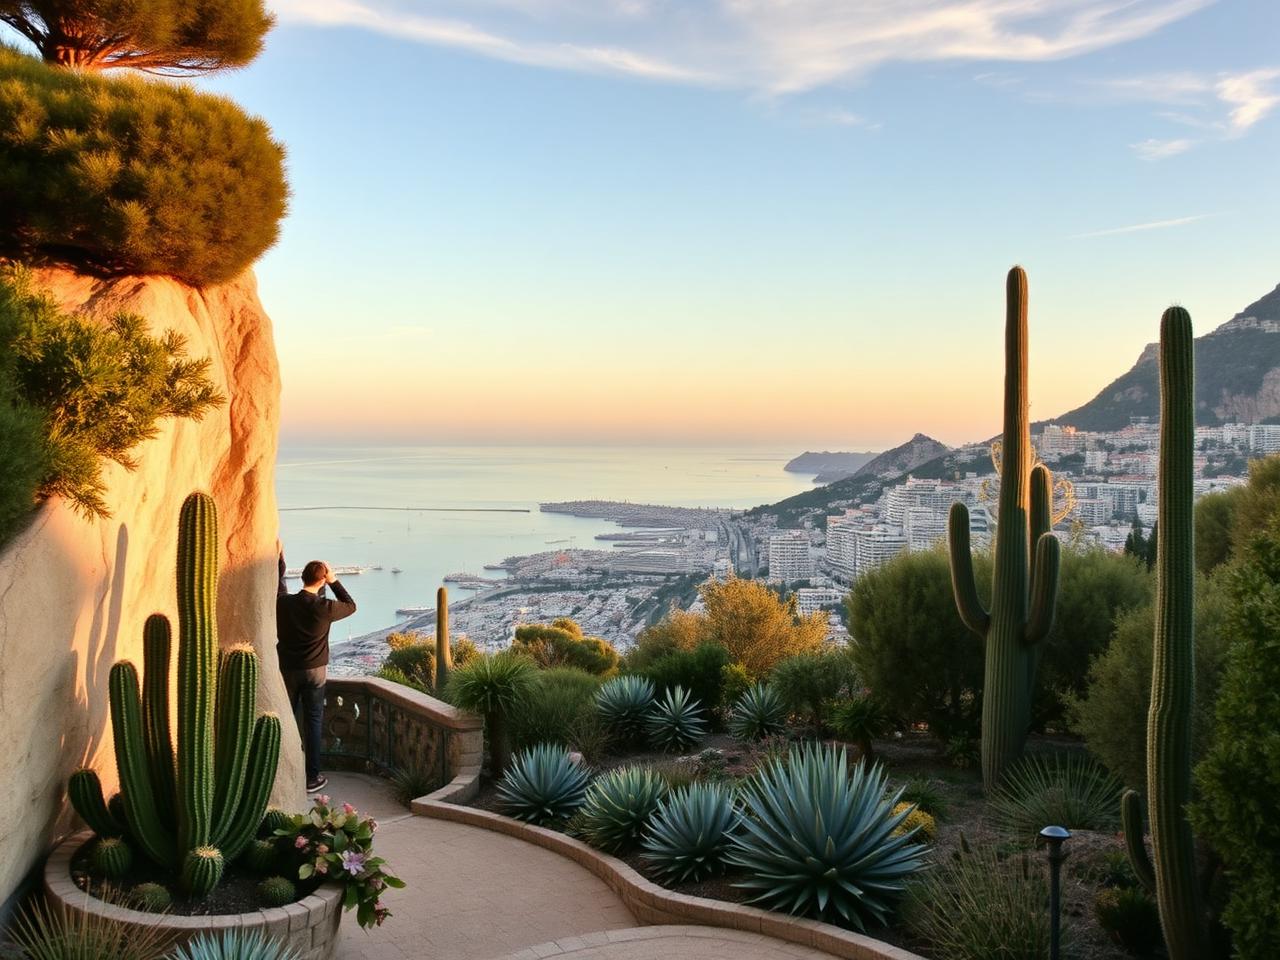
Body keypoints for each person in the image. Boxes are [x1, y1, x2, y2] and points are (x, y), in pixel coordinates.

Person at [276, 552, 356, 793]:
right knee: (313, 722)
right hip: (315, 672)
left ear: (301, 578)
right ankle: (312, 777)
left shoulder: (283, 603)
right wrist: (334, 581)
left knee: (285, 720)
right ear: (321, 581)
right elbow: (351, 605)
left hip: (288, 669)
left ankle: (282, 772)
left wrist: (280, 560)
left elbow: (279, 584)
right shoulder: (326, 607)